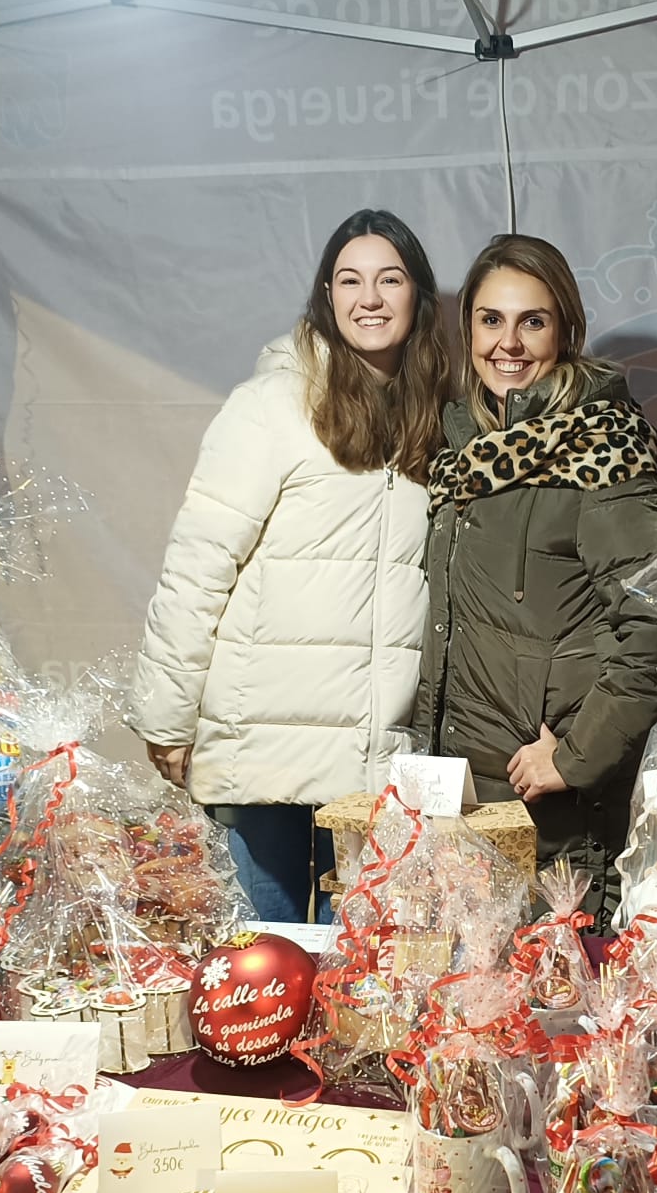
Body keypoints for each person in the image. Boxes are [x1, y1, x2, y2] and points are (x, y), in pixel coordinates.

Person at [132, 209, 449, 922]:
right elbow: (197, 567)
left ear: (418, 295)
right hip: (264, 746)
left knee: (360, 969)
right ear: (327, 296)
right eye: (350, 280)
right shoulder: (270, 406)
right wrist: (167, 716)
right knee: (267, 964)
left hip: (374, 754)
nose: (369, 298)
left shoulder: (438, 421)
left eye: (390, 279)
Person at [415, 234, 657, 920]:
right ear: (468, 329)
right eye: (491, 320)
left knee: (556, 984)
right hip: (461, 798)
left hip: (552, 811)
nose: (509, 343)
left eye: (532, 321)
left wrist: (577, 756)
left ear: (565, 331)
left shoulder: (603, 449)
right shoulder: (458, 453)